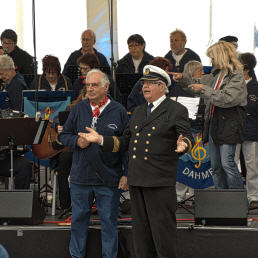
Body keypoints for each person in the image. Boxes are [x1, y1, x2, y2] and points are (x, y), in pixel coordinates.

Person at [83, 65, 194, 258]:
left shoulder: (175, 109)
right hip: (138, 179)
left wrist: (184, 143)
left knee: (162, 234)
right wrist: (101, 139)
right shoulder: (138, 111)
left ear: (162, 86)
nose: (145, 87)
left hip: (159, 180)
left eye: (151, 83)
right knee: (141, 235)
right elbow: (124, 141)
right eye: (144, 83)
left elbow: (186, 135)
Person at [59, 69, 129, 258]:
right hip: (80, 178)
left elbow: (126, 145)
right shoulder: (78, 109)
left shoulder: (119, 111)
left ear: (106, 87)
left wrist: (126, 173)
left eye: (94, 85)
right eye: (88, 85)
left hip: (108, 178)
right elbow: (63, 135)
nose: (89, 88)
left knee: (108, 223)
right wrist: (76, 142)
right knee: (78, 222)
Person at [173, 40, 247, 189]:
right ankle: (221, 201)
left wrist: (203, 89)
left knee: (227, 164)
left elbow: (228, 98)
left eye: (212, 58)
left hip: (229, 124)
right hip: (214, 123)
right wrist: (183, 79)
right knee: (216, 166)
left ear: (221, 57)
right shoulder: (216, 75)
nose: (211, 61)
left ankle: (237, 202)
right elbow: (197, 83)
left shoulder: (236, 77)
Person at [176, 60, 204, 204]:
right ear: (192, 73)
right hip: (184, 132)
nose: (203, 73)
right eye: (200, 71)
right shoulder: (181, 90)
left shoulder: (204, 88)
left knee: (197, 165)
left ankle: (195, 196)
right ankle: (179, 196)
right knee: (183, 163)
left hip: (200, 132)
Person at [235, 53, 258, 209]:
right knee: (231, 164)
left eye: (239, 63)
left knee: (252, 165)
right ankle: (235, 195)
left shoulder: (256, 87)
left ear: (247, 67)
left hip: (252, 130)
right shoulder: (234, 84)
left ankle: (253, 197)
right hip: (233, 130)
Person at [164, 29, 201, 97]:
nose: (173, 43)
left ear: (184, 42)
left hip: (189, 94)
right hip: (170, 93)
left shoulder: (193, 57)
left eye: (176, 40)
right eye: (171, 41)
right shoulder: (167, 57)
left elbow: (198, 78)